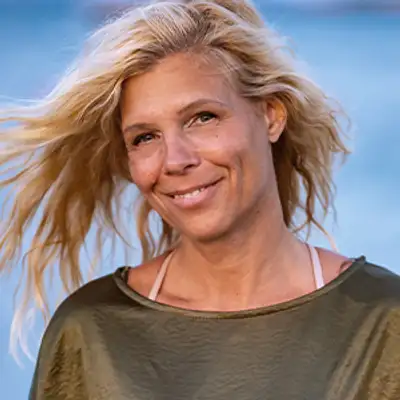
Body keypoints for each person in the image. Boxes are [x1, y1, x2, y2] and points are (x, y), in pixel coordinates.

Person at [0, 0, 399, 399]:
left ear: (271, 114)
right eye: (145, 137)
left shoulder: (381, 321)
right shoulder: (92, 333)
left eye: (203, 117)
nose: (175, 160)